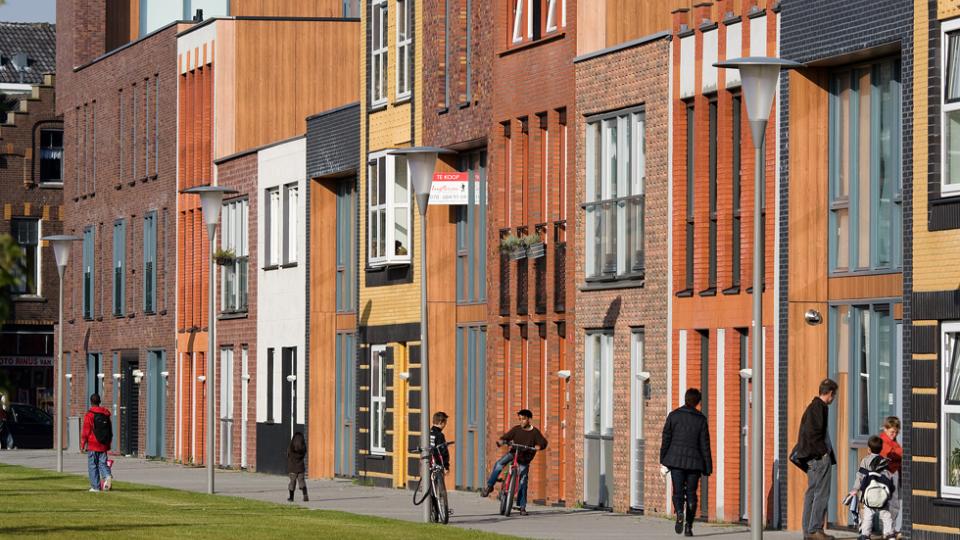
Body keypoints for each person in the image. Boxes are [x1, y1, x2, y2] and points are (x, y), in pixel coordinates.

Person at [660, 388, 713, 537]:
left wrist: (663, 460)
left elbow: (666, 439)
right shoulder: (701, 419)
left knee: (677, 492)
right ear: (698, 402)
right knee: (691, 494)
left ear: (685, 399)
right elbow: (705, 445)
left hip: (675, 461)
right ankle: (689, 526)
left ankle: (679, 513)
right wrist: (708, 466)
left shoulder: (673, 416)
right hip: (694, 464)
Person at [479, 409, 548, 516]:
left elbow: (543, 442)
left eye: (523, 419)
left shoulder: (535, 432)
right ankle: (489, 486)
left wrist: (539, 446)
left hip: (524, 459)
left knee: (523, 481)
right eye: (520, 419)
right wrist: (502, 440)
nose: (521, 421)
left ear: (529, 420)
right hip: (514, 453)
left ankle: (522, 506)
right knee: (499, 464)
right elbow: (507, 436)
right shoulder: (516, 429)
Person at [795, 378, 839, 540]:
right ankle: (815, 529)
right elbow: (815, 434)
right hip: (818, 458)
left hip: (809, 458)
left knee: (812, 493)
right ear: (830, 393)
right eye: (834, 395)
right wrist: (823, 453)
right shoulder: (820, 408)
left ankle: (808, 532)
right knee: (822, 493)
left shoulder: (812, 407)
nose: (834, 399)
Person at [848, 435, 896, 540]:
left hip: (868, 496)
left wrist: (855, 489)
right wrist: (890, 492)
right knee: (886, 515)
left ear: (869, 449)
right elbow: (889, 478)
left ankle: (865, 535)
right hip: (882, 495)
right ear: (881, 449)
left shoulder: (865, 461)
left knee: (868, 516)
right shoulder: (884, 461)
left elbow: (860, 477)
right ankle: (889, 534)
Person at [80, 393, 112, 492]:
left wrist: (82, 444)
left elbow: (86, 431)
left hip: (93, 444)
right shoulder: (106, 414)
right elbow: (109, 430)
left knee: (92, 465)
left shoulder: (89, 415)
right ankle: (107, 476)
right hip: (103, 444)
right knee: (103, 463)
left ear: (91, 402)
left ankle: (95, 487)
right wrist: (108, 443)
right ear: (99, 401)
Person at [879, 416, 902, 535]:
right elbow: (888, 455)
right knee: (891, 502)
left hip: (893, 473)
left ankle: (890, 529)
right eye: (892, 432)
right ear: (885, 429)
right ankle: (888, 530)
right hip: (888, 473)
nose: (894, 434)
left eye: (896, 432)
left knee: (893, 502)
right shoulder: (883, 442)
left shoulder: (893, 442)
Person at [287, 432, 307, 502]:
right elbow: (304, 454)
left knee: (292, 482)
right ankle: (305, 495)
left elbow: (288, 455)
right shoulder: (303, 448)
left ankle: (291, 497)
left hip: (292, 467)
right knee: (301, 481)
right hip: (300, 466)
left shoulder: (291, 448)